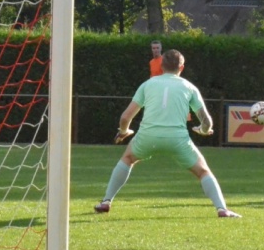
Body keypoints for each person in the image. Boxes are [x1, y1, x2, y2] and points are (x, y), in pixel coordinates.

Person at [94, 49, 241, 218]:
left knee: (127, 159)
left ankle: (106, 201)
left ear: (161, 65)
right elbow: (207, 121)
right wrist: (204, 130)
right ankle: (222, 209)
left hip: (148, 136)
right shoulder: (189, 87)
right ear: (182, 67)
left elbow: (125, 117)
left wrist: (124, 131)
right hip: (177, 139)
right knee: (203, 171)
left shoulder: (148, 84)